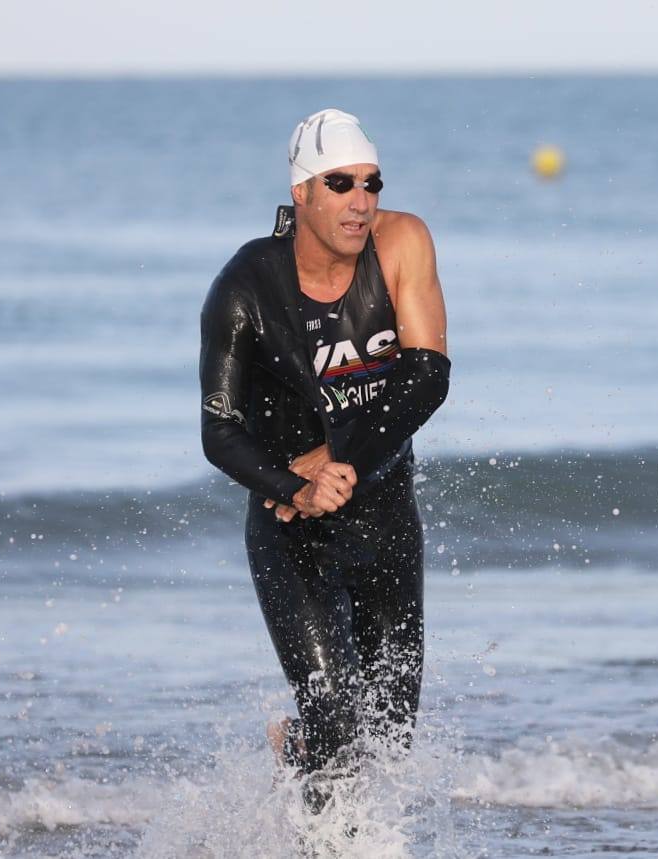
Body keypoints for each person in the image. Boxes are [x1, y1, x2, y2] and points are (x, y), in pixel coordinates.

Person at [199, 108, 450, 782]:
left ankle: (305, 759)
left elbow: (428, 375)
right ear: (302, 192)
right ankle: (313, 784)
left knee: (389, 738)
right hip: (293, 528)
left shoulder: (402, 242)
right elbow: (219, 431)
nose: (361, 201)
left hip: (385, 513)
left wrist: (338, 458)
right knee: (339, 731)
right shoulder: (245, 288)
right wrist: (298, 486)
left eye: (372, 183)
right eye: (340, 183)